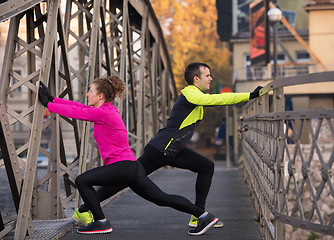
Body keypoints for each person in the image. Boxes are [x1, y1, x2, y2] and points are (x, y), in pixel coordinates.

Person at [72, 62, 262, 228]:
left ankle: (199, 216)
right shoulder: (190, 93)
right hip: (161, 149)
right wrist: (249, 95)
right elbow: (217, 99)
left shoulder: (195, 94)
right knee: (128, 181)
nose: (211, 79)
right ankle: (85, 209)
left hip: (171, 149)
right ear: (196, 79)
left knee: (206, 166)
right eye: (207, 75)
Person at [37, 76, 219, 235]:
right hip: (131, 168)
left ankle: (100, 221)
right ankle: (203, 215)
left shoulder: (104, 113)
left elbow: (78, 112)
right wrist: (53, 100)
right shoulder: (106, 111)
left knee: (82, 181)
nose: (87, 94)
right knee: (162, 198)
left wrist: (50, 105)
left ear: (100, 96)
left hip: (122, 167)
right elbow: (78, 107)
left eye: (90, 91)